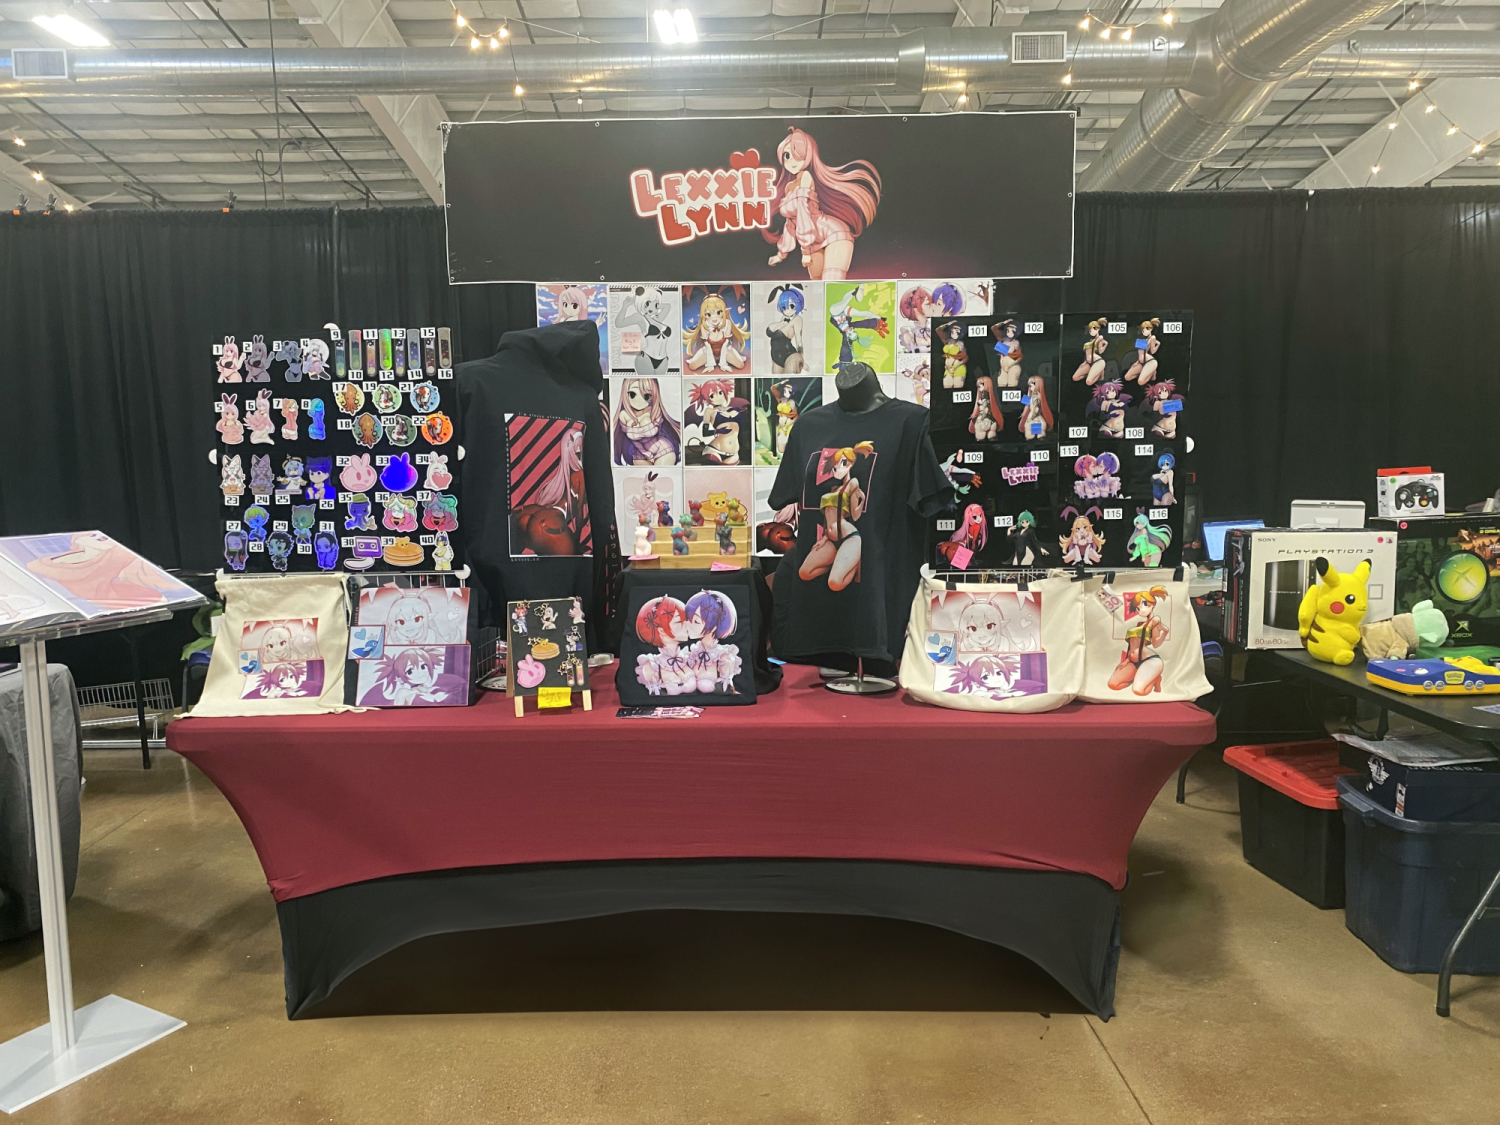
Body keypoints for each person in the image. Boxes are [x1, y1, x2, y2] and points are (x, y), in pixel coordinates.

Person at [763, 126, 881, 281]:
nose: (791, 161)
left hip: (833, 233)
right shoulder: (789, 187)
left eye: (798, 154)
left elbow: (804, 213)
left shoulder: (806, 177)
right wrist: (781, 254)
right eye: (787, 155)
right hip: (813, 241)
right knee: (817, 287)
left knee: (831, 283)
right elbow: (790, 224)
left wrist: (805, 251)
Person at [799, 440, 874, 591]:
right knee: (804, 573)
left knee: (834, 584)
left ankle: (853, 567)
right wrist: (825, 537)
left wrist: (862, 500)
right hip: (830, 538)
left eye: (843, 463)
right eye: (835, 466)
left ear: (851, 464)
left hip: (849, 537)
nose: (838, 469)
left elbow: (855, 516)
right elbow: (828, 516)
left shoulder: (852, 483)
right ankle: (836, 564)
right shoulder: (834, 488)